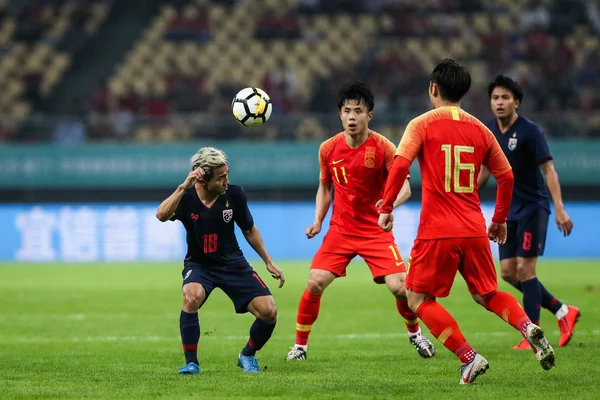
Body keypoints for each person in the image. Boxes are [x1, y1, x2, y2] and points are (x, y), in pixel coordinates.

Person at [378, 59, 555, 385]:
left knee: (417, 299)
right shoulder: (481, 129)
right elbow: (506, 176)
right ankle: (527, 325)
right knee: (487, 293)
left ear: (433, 89)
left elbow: (401, 166)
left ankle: (468, 357)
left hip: (437, 230)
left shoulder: (421, 123)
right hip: (474, 227)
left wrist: (387, 205)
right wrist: (499, 220)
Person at [285, 82, 435, 361]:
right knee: (315, 281)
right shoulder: (328, 149)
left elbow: (405, 186)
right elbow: (326, 188)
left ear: (370, 115)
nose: (352, 117)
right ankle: (300, 347)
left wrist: (389, 206)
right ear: (340, 115)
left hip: (374, 230)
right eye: (346, 111)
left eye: (358, 111)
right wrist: (318, 221)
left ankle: (415, 334)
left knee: (401, 287)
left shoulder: (384, 147)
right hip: (341, 230)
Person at [156, 147, 285, 374]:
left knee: (269, 312)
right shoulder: (186, 198)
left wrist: (268, 260)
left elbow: (249, 230)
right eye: (221, 177)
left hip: (233, 264)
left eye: (227, 175)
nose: (226, 181)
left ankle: (247, 355)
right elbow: (161, 215)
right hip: (199, 265)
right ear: (203, 178)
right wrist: (183, 186)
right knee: (191, 297)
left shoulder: (234, 195)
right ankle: (191, 363)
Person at [478, 75, 579, 350]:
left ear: (516, 102)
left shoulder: (531, 131)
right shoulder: (489, 132)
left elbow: (549, 169)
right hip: (508, 212)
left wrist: (559, 207)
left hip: (534, 207)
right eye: (495, 98)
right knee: (509, 272)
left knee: (525, 269)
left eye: (505, 98)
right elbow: (485, 170)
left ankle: (531, 336)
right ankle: (562, 311)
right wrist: (466, 194)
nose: (499, 103)